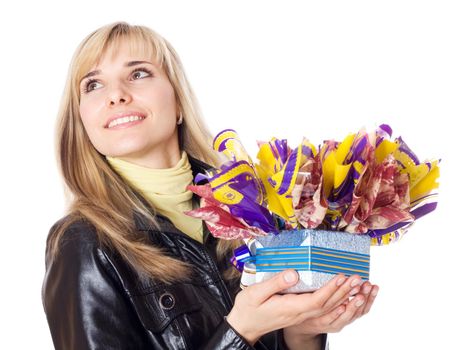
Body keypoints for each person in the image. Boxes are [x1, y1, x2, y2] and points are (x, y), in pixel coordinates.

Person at [41, 21, 379, 350]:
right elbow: (244, 330)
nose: (116, 95)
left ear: (177, 103)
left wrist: (302, 333)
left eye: (138, 73)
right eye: (93, 85)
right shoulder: (83, 242)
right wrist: (241, 332)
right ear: (82, 119)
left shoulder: (249, 218)